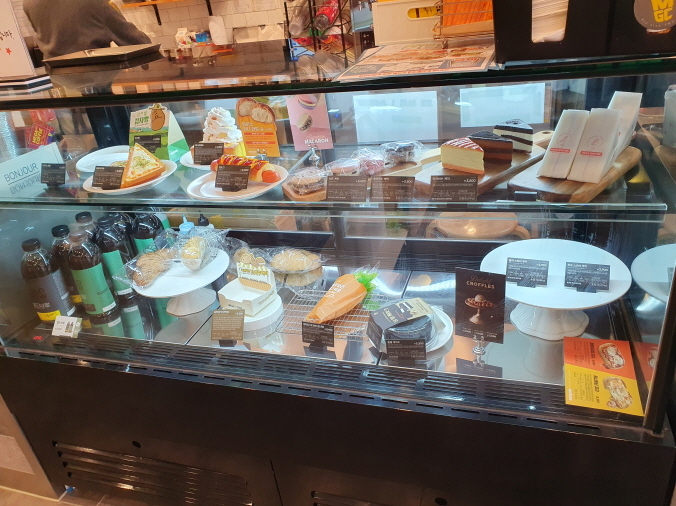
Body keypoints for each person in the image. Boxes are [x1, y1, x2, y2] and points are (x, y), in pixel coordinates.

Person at [24, 0, 151, 60]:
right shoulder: (95, 2)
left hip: (57, 82)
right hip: (96, 79)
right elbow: (140, 44)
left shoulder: (29, 3)